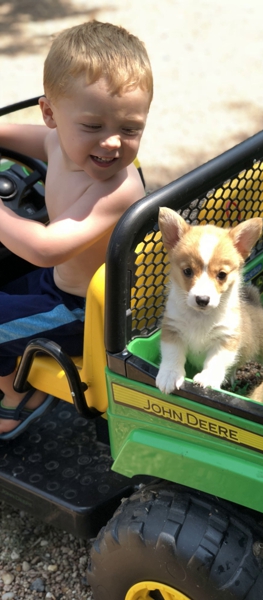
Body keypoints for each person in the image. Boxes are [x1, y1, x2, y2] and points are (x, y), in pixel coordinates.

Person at [0, 20, 153, 438]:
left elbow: (47, 248)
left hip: (84, 314)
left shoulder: (118, 187)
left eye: (130, 129)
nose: (111, 143)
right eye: (92, 127)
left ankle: (16, 399)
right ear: (49, 113)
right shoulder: (55, 142)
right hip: (59, 287)